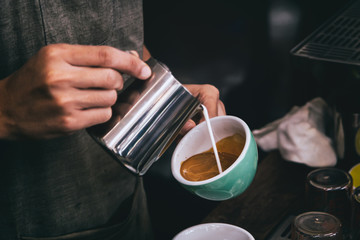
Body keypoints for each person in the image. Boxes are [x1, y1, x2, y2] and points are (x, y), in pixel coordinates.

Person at [0, 1, 225, 239]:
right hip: (28, 216)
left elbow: (120, 31)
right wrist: (6, 107)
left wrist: (163, 94)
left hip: (124, 211)